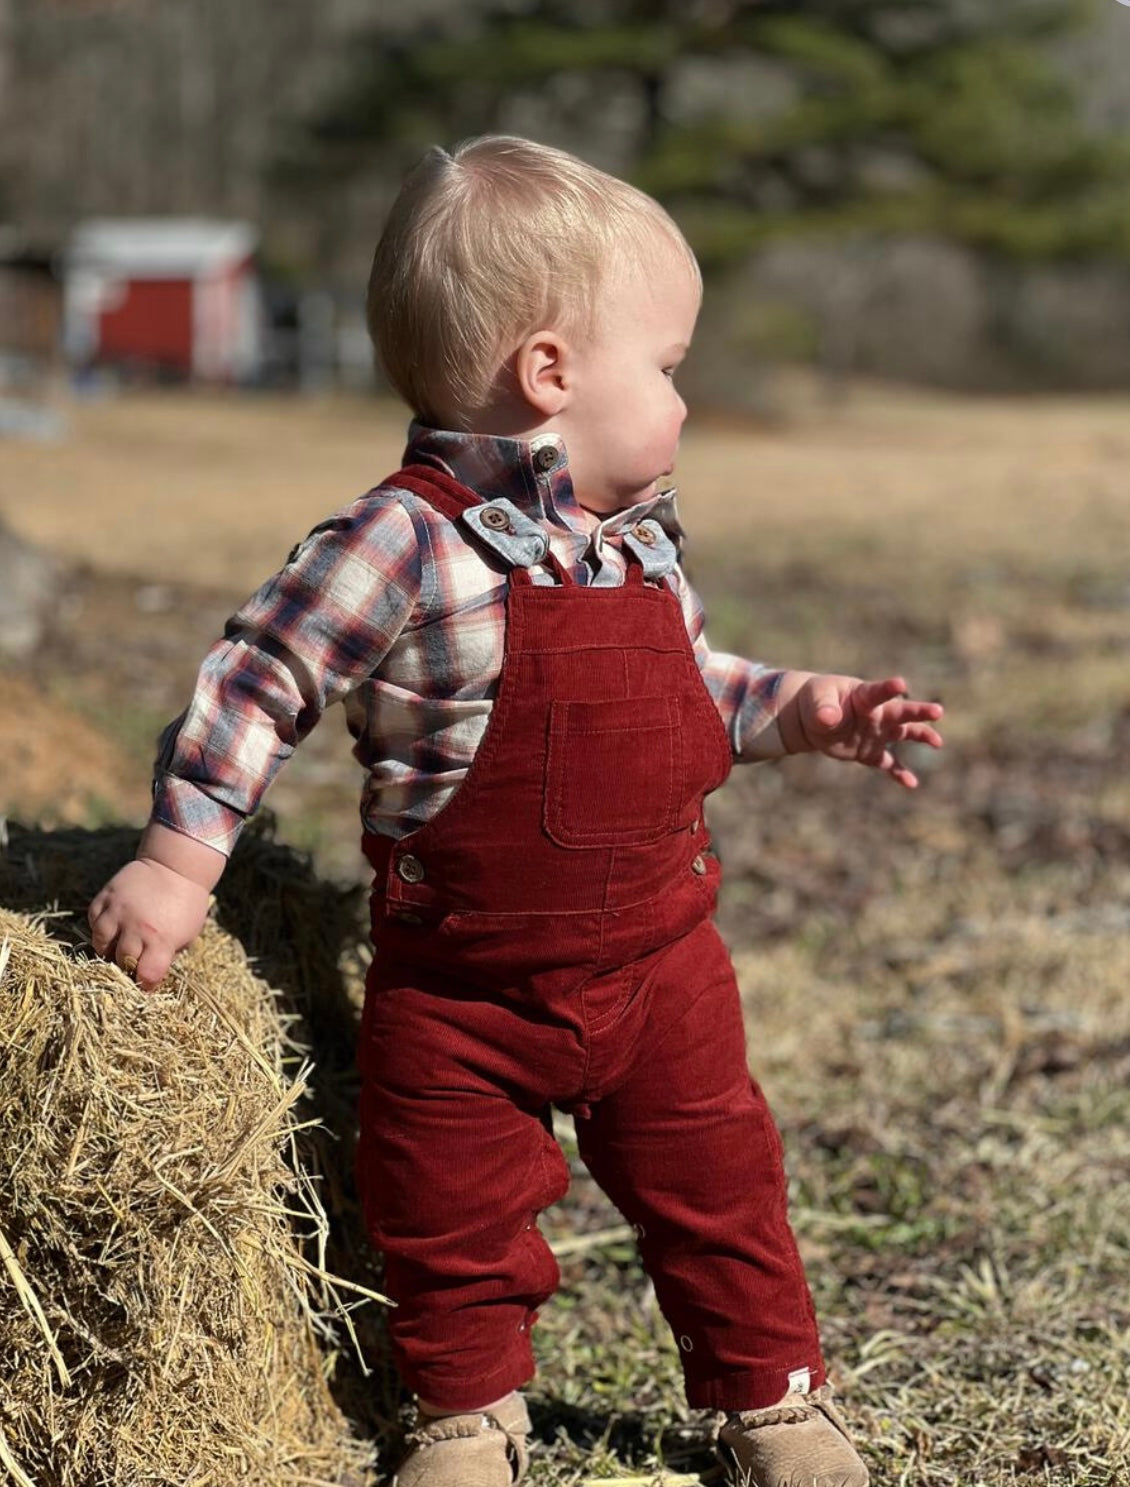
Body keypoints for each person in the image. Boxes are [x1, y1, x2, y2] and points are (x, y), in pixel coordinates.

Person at [88, 136, 943, 1487]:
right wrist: (178, 863)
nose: (680, 401)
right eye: (664, 368)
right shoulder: (399, 542)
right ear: (551, 375)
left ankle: (768, 1401)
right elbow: (261, 680)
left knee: (721, 1191)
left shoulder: (639, 544)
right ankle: (468, 1420)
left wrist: (807, 710)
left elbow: (692, 691)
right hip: (463, 991)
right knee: (449, 1215)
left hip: (663, 969)